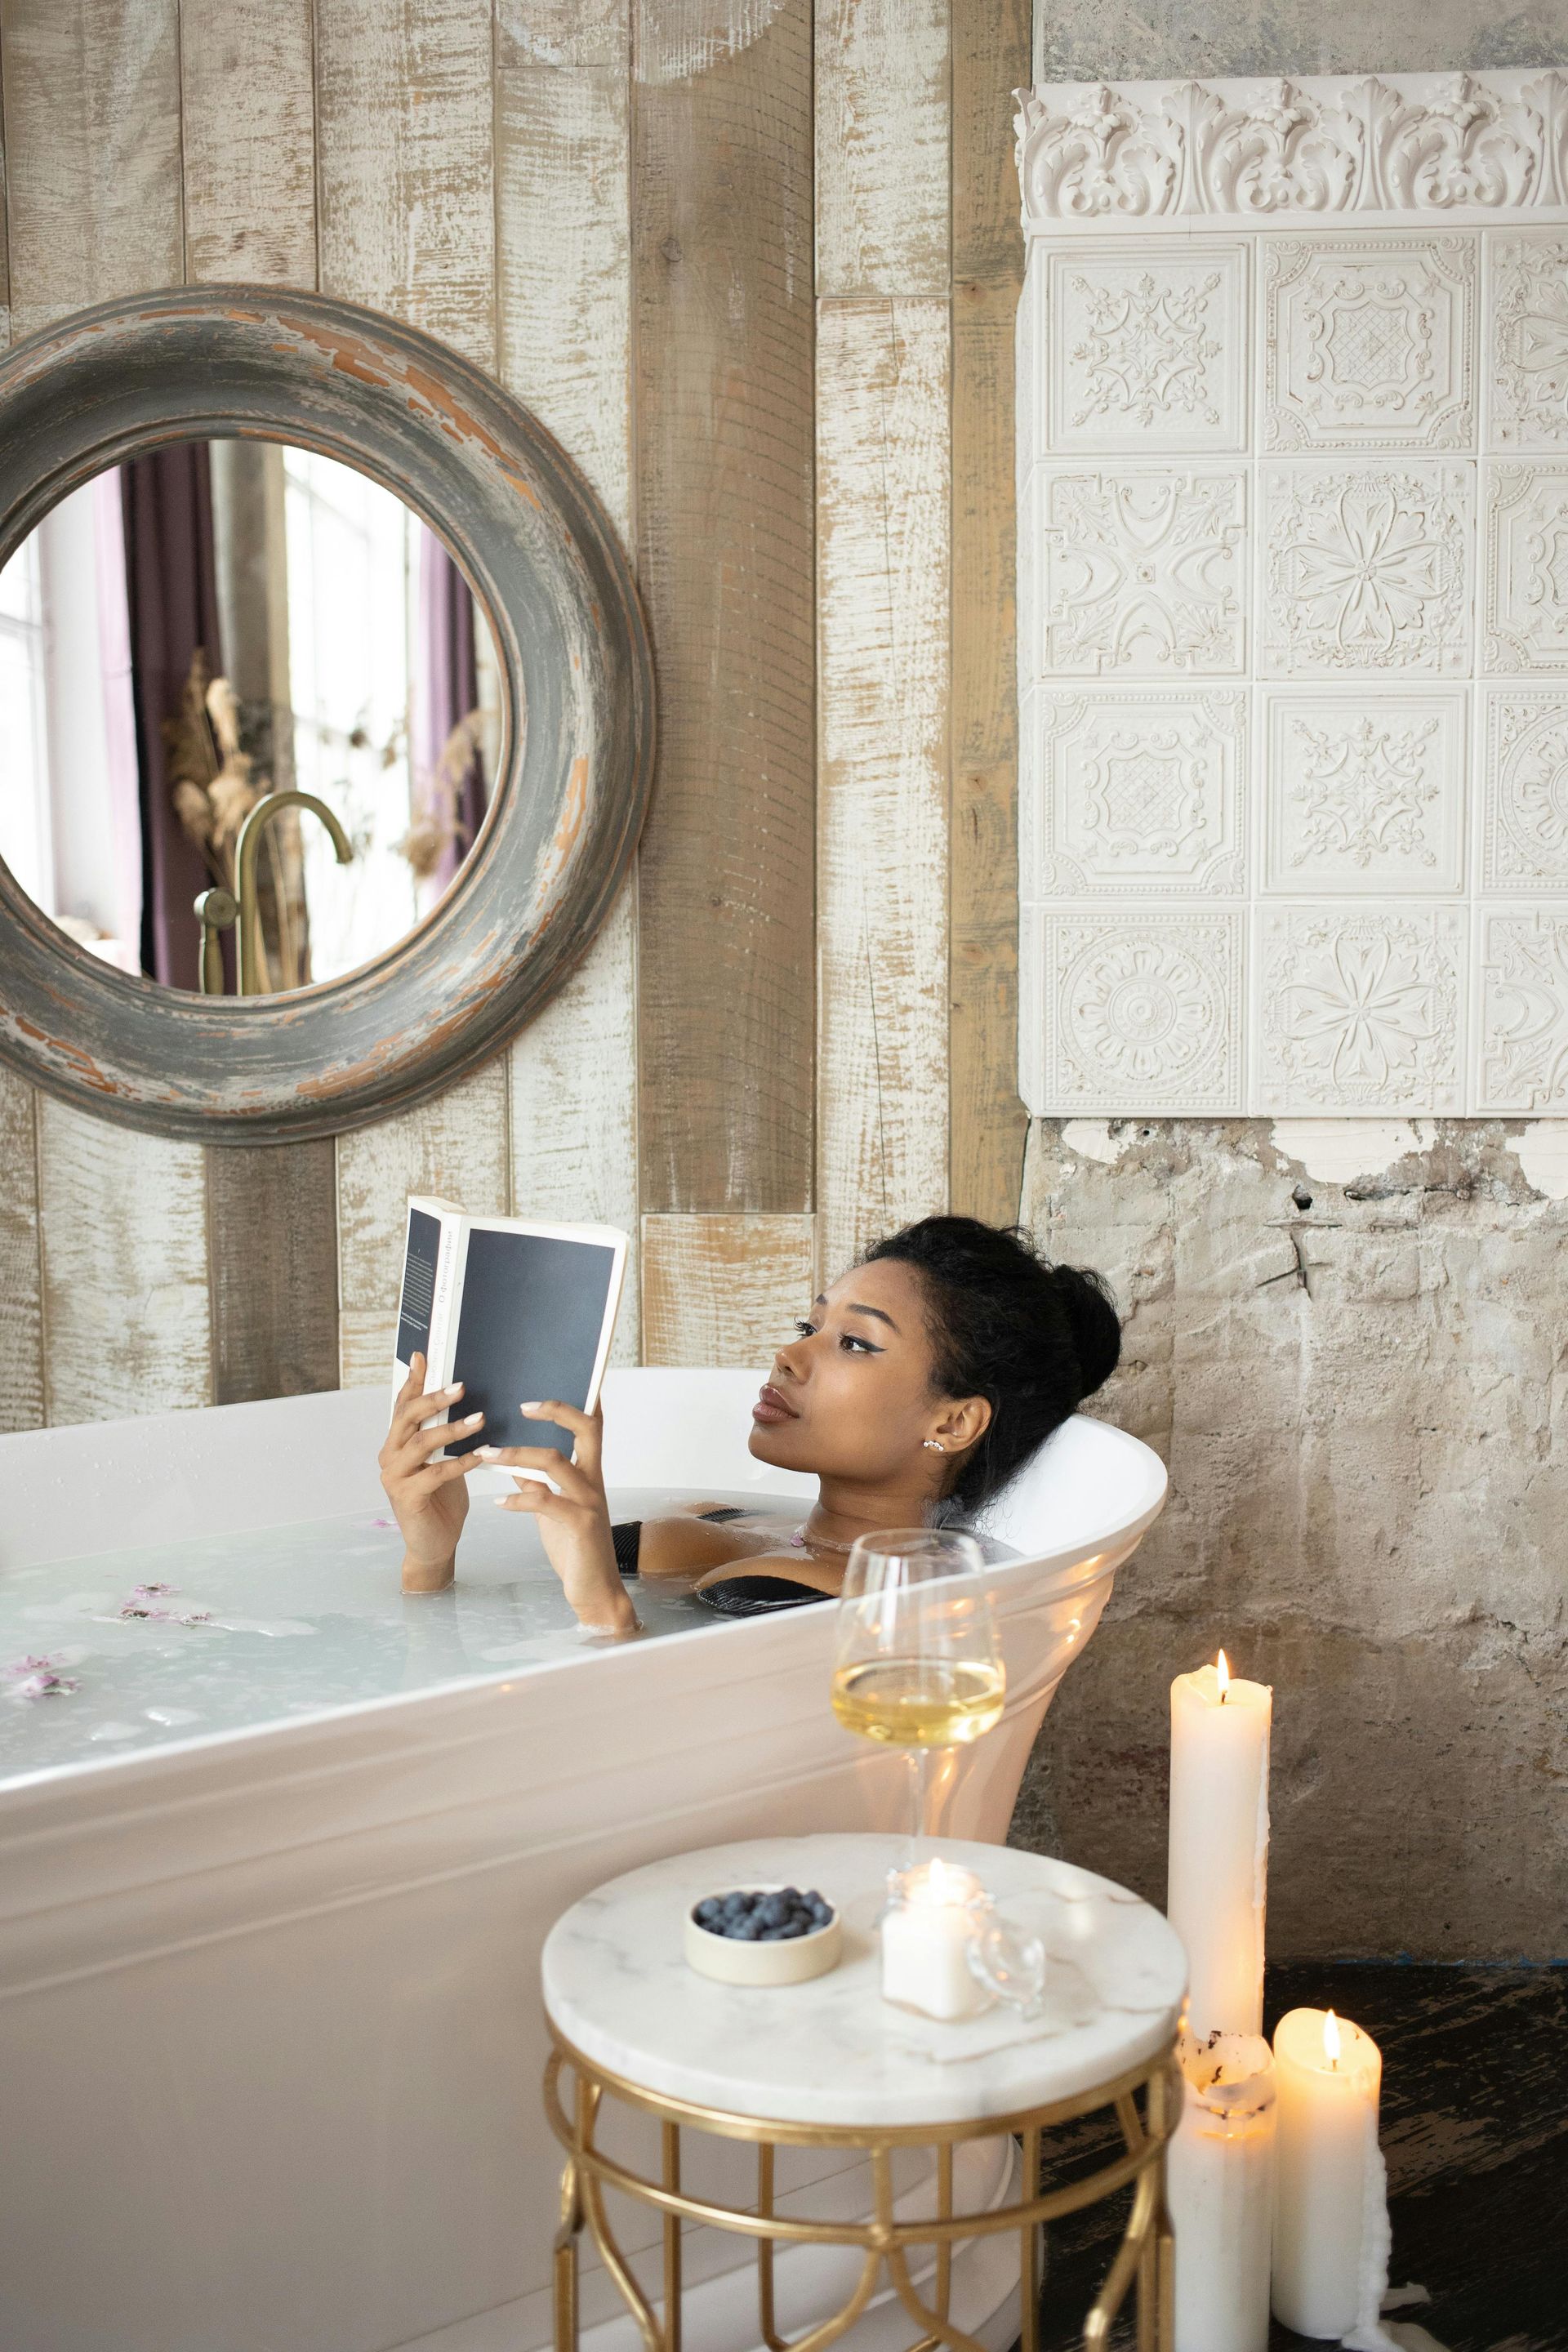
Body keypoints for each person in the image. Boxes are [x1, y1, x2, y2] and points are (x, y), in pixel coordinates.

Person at [379, 1215, 1120, 1636]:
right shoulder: (733, 1520)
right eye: (810, 1323)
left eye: (855, 1343)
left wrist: (606, 1607)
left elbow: (675, 1760)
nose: (789, 1354)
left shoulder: (879, 1612)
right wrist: (430, 1556)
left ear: (955, 1422)